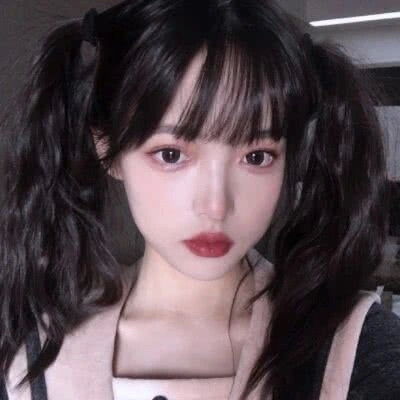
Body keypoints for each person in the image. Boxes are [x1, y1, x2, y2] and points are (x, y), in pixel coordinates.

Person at [0, 0, 399, 399]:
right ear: (107, 148)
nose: (216, 206)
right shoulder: (32, 358)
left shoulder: (354, 348)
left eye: (256, 157)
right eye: (171, 154)